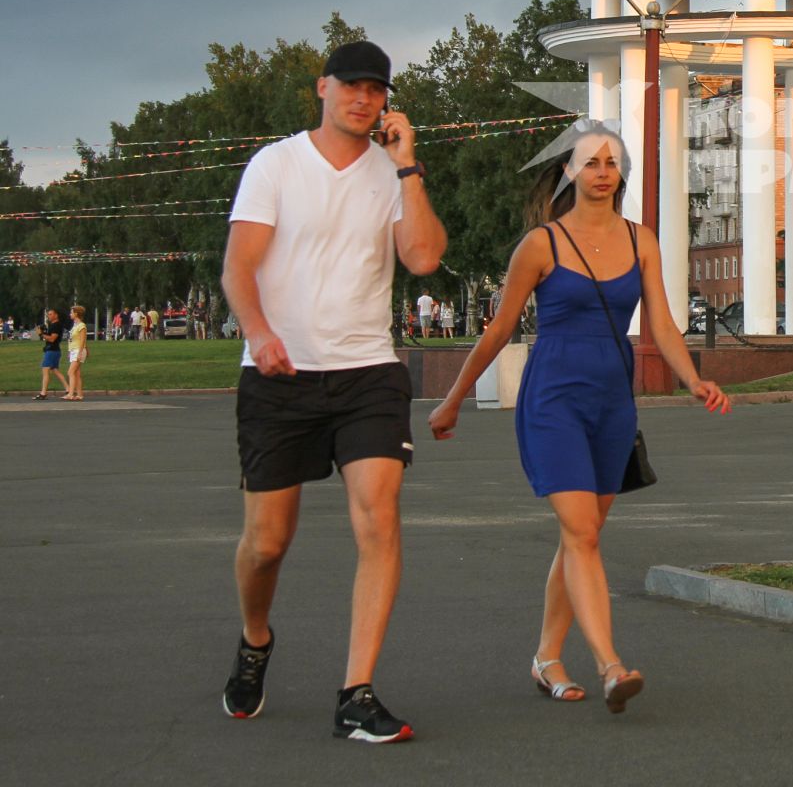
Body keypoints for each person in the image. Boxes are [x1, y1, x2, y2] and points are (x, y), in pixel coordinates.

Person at [429, 121, 730, 713]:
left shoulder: (642, 240)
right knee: (583, 534)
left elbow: (662, 324)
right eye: (589, 162)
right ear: (568, 170)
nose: (601, 172)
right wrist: (454, 397)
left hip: (612, 402)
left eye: (611, 163)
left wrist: (692, 378)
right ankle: (611, 665)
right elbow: (498, 330)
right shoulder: (541, 245)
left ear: (621, 174)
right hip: (554, 400)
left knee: (579, 537)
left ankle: (546, 657)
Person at [219, 39, 447, 742]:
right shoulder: (276, 165)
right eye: (351, 86)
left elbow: (424, 257)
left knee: (379, 515)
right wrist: (258, 333)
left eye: (376, 90)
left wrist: (407, 166)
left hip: (366, 371)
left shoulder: (391, 173)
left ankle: (357, 692)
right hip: (278, 376)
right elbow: (238, 269)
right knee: (267, 542)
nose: (363, 99)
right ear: (322, 88)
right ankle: (256, 638)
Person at [35, 308, 71, 400]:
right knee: (55, 370)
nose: (49, 316)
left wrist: (41, 334)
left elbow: (52, 339)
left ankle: (43, 393)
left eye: (51, 314)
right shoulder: (54, 325)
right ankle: (68, 388)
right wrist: (44, 332)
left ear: (56, 315)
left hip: (52, 351)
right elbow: (50, 336)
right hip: (54, 350)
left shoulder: (56, 325)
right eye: (48, 314)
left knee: (45, 370)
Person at [64, 305, 89, 401]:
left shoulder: (81, 326)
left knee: (70, 372)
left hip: (79, 350)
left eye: (71, 312)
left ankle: (70, 393)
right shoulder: (75, 325)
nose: (70, 314)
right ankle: (79, 394)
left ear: (76, 314)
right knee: (77, 373)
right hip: (73, 350)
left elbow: (83, 340)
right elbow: (72, 340)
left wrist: (79, 353)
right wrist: (69, 351)